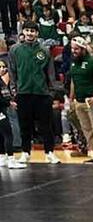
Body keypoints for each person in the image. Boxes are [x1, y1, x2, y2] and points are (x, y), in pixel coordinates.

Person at [9, 24, 59, 162]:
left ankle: (49, 152)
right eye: (27, 30)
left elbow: (51, 73)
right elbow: (12, 71)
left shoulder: (45, 50)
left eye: (33, 31)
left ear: (37, 33)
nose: (30, 33)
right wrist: (14, 91)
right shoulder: (15, 49)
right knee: (24, 125)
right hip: (23, 93)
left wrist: (51, 93)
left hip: (42, 93)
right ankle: (26, 152)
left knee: (46, 125)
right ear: (23, 32)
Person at [0, 55, 25, 167]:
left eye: (3, 67)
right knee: (8, 133)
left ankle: (2, 157)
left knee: (1, 134)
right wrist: (9, 103)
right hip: (0, 110)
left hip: (3, 108)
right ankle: (11, 159)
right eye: (0, 67)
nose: (3, 69)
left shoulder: (1, 80)